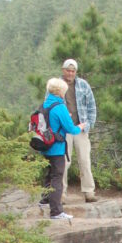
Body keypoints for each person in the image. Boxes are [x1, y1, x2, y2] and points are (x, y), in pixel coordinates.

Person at [39, 78, 84, 221]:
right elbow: (71, 129)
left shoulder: (45, 104)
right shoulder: (60, 107)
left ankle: (44, 201)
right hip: (57, 148)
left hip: (45, 146)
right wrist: (81, 127)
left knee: (48, 175)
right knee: (57, 178)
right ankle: (56, 212)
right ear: (60, 91)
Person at [60, 58, 97, 202]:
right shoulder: (56, 85)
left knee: (84, 160)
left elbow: (92, 106)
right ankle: (61, 193)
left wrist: (88, 124)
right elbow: (48, 105)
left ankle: (89, 192)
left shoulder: (83, 85)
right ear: (63, 70)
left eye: (73, 71)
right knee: (63, 161)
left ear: (76, 72)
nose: (70, 73)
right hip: (64, 130)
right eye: (68, 70)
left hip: (80, 128)